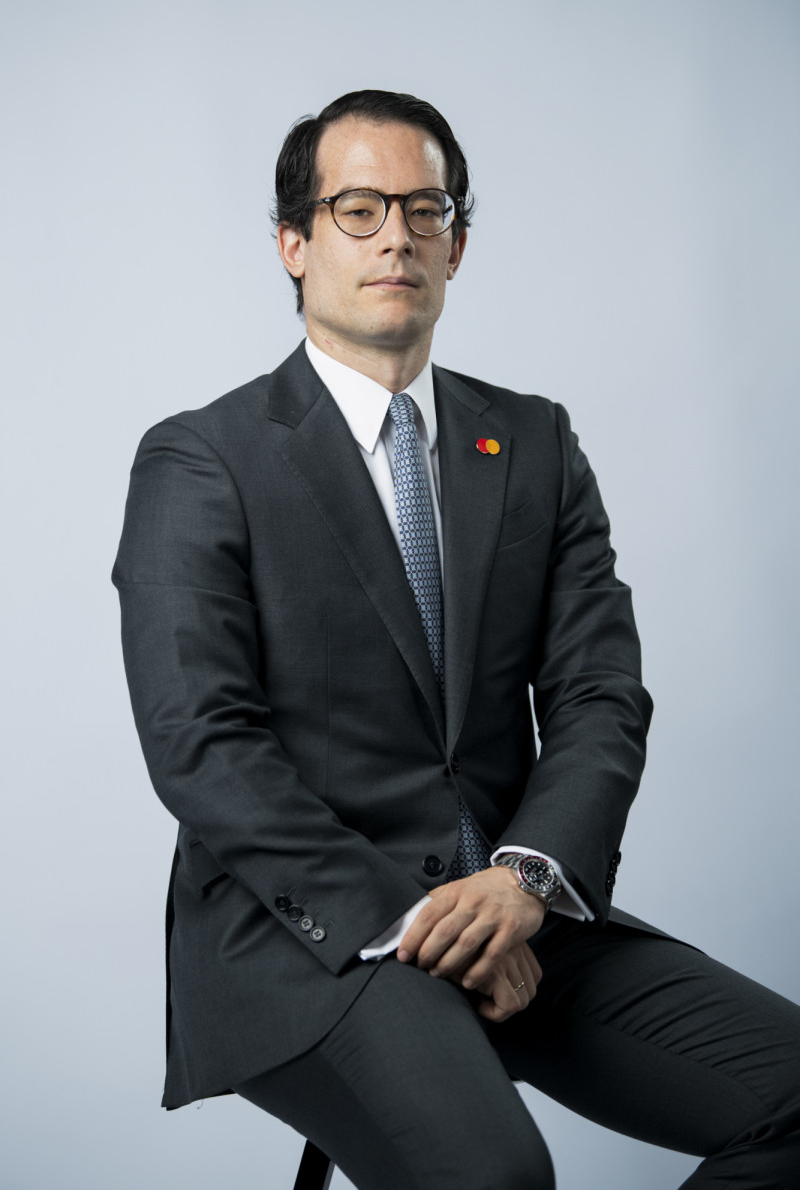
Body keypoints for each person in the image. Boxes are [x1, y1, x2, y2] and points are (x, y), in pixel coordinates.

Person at [112, 90, 800, 1189]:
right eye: (358, 208)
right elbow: (200, 744)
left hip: (514, 903)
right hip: (311, 934)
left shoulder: (532, 440)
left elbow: (598, 694)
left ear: (457, 244)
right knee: (497, 1178)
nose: (396, 235)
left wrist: (523, 882)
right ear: (293, 243)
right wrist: (413, 918)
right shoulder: (203, 459)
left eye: (424, 209)